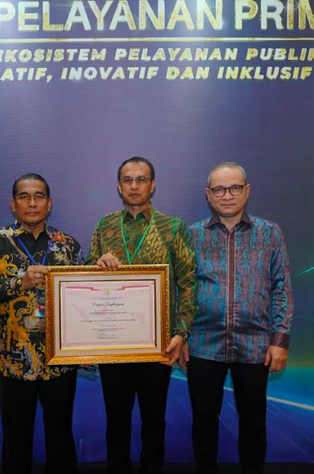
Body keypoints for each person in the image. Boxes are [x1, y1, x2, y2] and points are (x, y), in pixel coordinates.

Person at [0, 173, 84, 474]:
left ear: (49, 203)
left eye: (39, 196)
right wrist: (21, 282)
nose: (32, 203)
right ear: (13, 204)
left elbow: (85, 295)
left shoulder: (68, 245)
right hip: (13, 360)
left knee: (61, 438)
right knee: (16, 441)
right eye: (24, 196)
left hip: (60, 361)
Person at [87, 156, 198, 474]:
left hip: (157, 343)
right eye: (128, 180)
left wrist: (181, 332)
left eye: (141, 179)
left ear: (153, 185)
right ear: (118, 186)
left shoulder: (173, 227)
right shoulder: (105, 225)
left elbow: (188, 282)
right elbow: (85, 274)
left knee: (154, 420)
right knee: (116, 420)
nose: (134, 186)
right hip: (113, 343)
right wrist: (97, 264)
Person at [182, 162, 294, 474]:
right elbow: (181, 289)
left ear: (247, 191)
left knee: (254, 421)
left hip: (255, 345)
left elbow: (282, 287)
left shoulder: (269, 233)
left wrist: (279, 340)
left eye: (234, 188)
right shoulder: (192, 235)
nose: (227, 195)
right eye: (219, 189)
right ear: (208, 194)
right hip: (203, 344)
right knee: (203, 421)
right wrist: (181, 335)